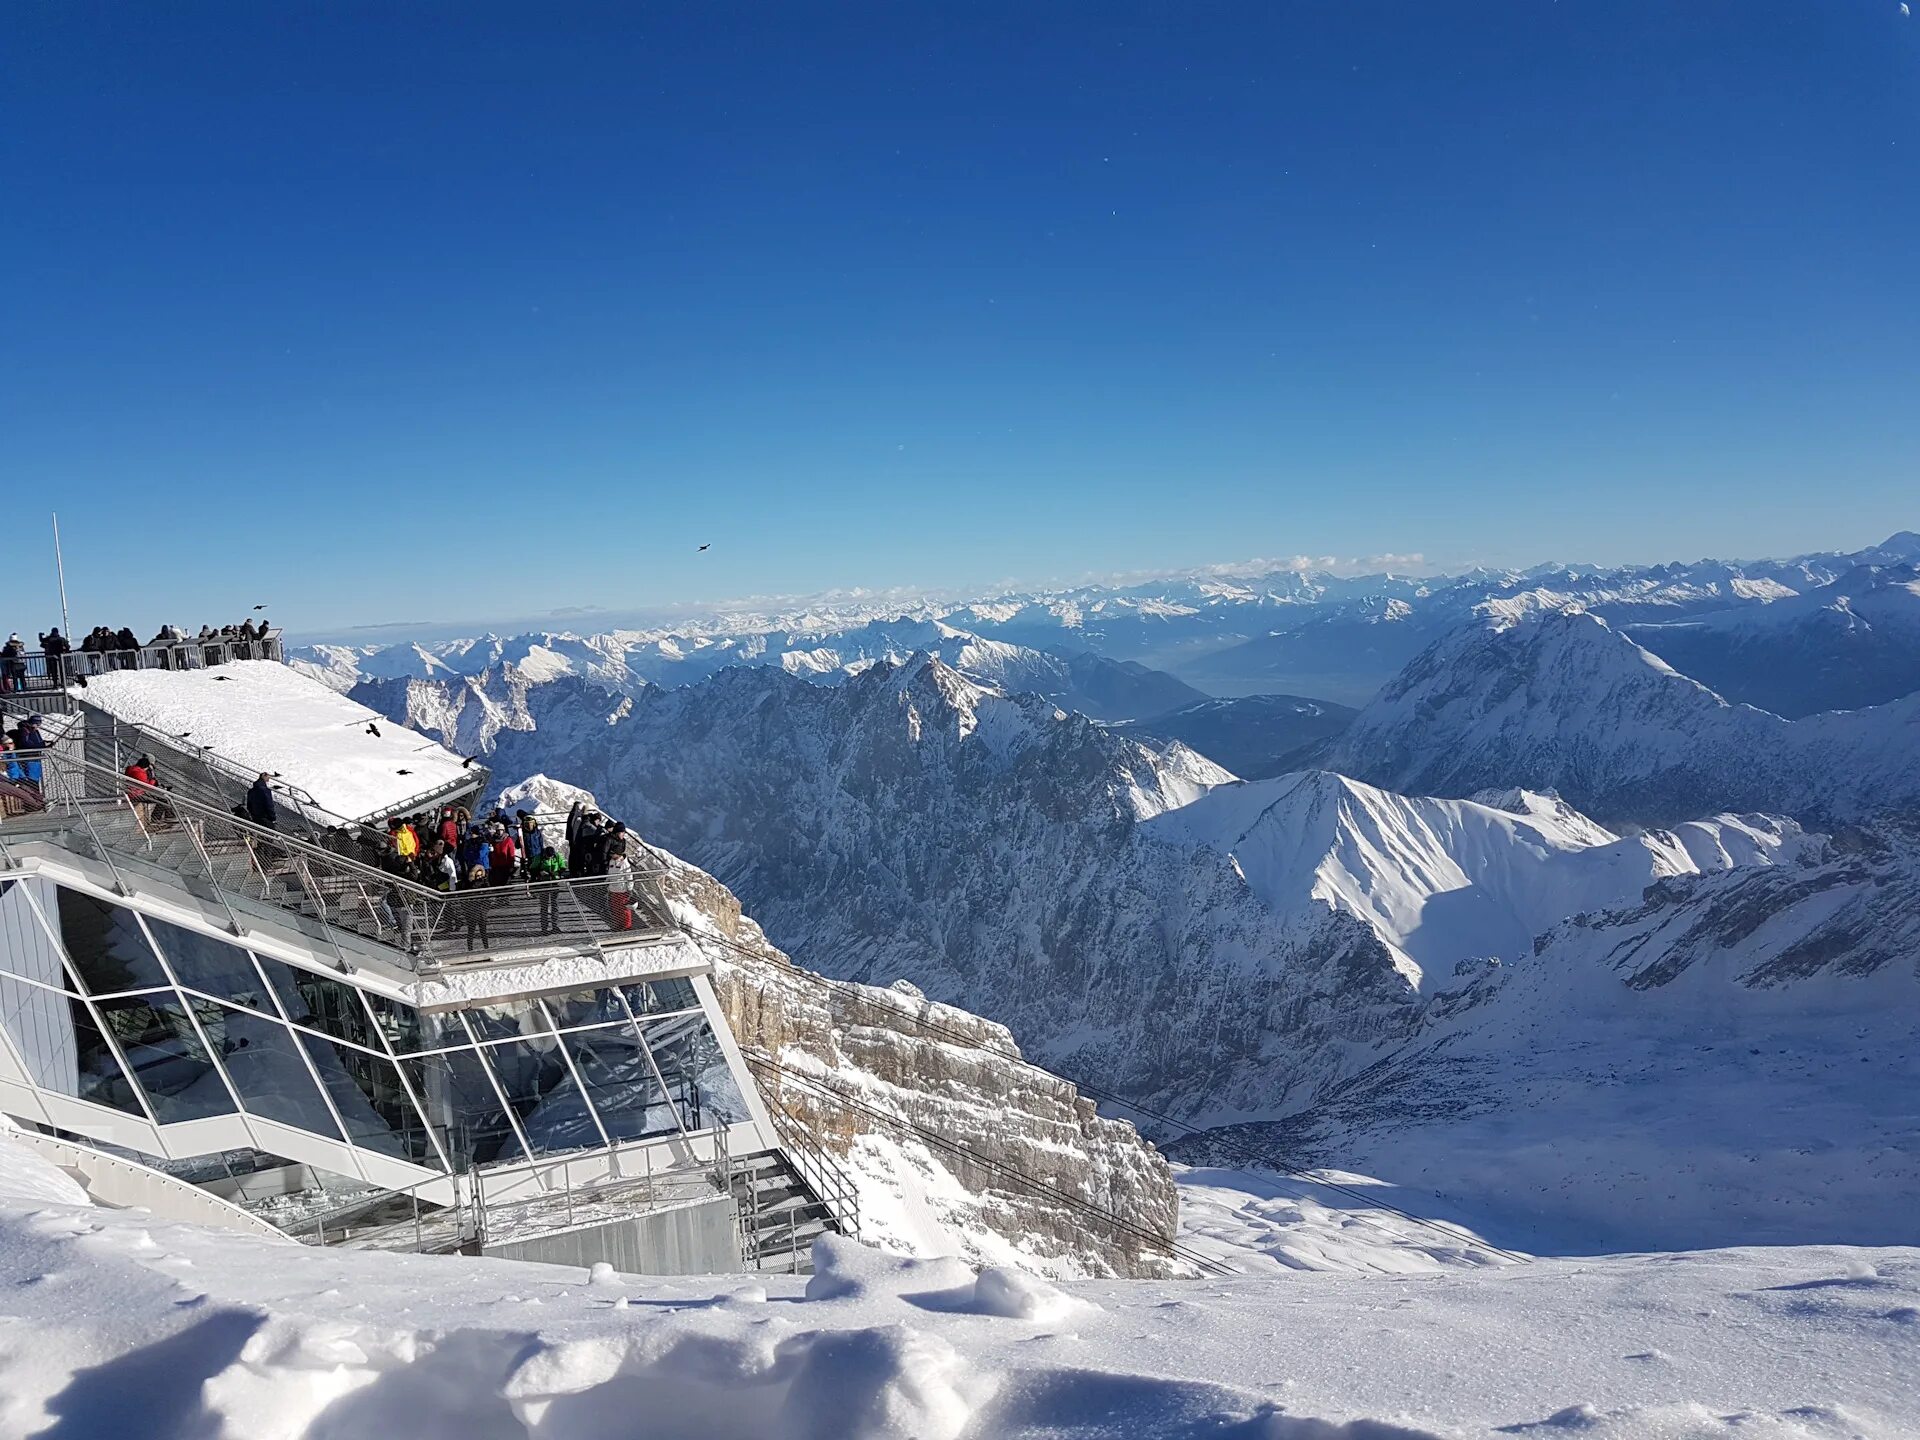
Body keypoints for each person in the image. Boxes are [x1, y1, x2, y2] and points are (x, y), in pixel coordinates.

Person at [461, 866, 491, 951]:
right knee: (471, 931)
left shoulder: (485, 883)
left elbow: (488, 895)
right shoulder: (469, 884)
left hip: (482, 911)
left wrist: (485, 909)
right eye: (478, 876)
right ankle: (470, 948)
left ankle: (486, 947)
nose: (479, 877)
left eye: (481, 875)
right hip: (472, 911)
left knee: (483, 931)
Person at [605, 847, 634, 931]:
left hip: (622, 890)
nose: (611, 855)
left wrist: (630, 889)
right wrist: (607, 882)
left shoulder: (625, 864)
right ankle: (619, 924)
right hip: (613, 889)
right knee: (615, 908)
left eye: (613, 854)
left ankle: (627, 926)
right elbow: (609, 873)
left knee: (624, 909)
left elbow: (629, 877)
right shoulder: (611, 861)